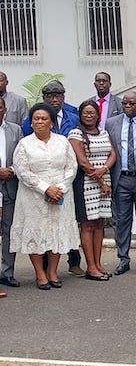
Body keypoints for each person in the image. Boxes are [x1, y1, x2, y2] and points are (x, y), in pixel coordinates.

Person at [10, 103, 79, 290]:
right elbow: (22, 171)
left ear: (51, 122)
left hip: (61, 194)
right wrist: (46, 188)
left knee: (57, 232)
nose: (40, 122)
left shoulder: (62, 141)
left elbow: (72, 167)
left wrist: (60, 188)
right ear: (31, 123)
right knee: (36, 232)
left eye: (44, 119)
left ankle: (52, 272)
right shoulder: (24, 144)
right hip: (33, 196)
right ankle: (40, 274)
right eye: (36, 119)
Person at [22, 80, 83, 276]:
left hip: (66, 179)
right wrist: (45, 187)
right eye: (50, 96)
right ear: (44, 98)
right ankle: (45, 269)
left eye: (58, 95)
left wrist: (61, 186)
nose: (54, 99)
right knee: (42, 226)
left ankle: (73, 262)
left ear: (63, 97)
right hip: (38, 184)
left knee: (64, 224)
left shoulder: (73, 117)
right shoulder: (30, 121)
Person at [68, 100, 116, 281]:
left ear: (98, 115)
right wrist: (102, 182)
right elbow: (83, 162)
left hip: (104, 180)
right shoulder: (76, 133)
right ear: (80, 115)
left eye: (92, 113)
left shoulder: (103, 132)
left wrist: (104, 169)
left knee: (99, 223)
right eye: (85, 113)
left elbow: (113, 154)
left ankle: (98, 263)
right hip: (85, 183)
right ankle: (90, 267)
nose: (89, 115)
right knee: (88, 224)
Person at [105, 91, 136, 275]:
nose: (128, 106)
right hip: (121, 178)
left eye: (132, 103)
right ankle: (123, 259)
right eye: (125, 103)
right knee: (122, 221)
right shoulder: (111, 123)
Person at [0, 97, 23, 290]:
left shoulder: (15, 130)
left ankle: (7, 273)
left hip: (9, 186)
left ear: (4, 109)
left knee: (9, 231)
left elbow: (22, 156)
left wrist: (12, 170)